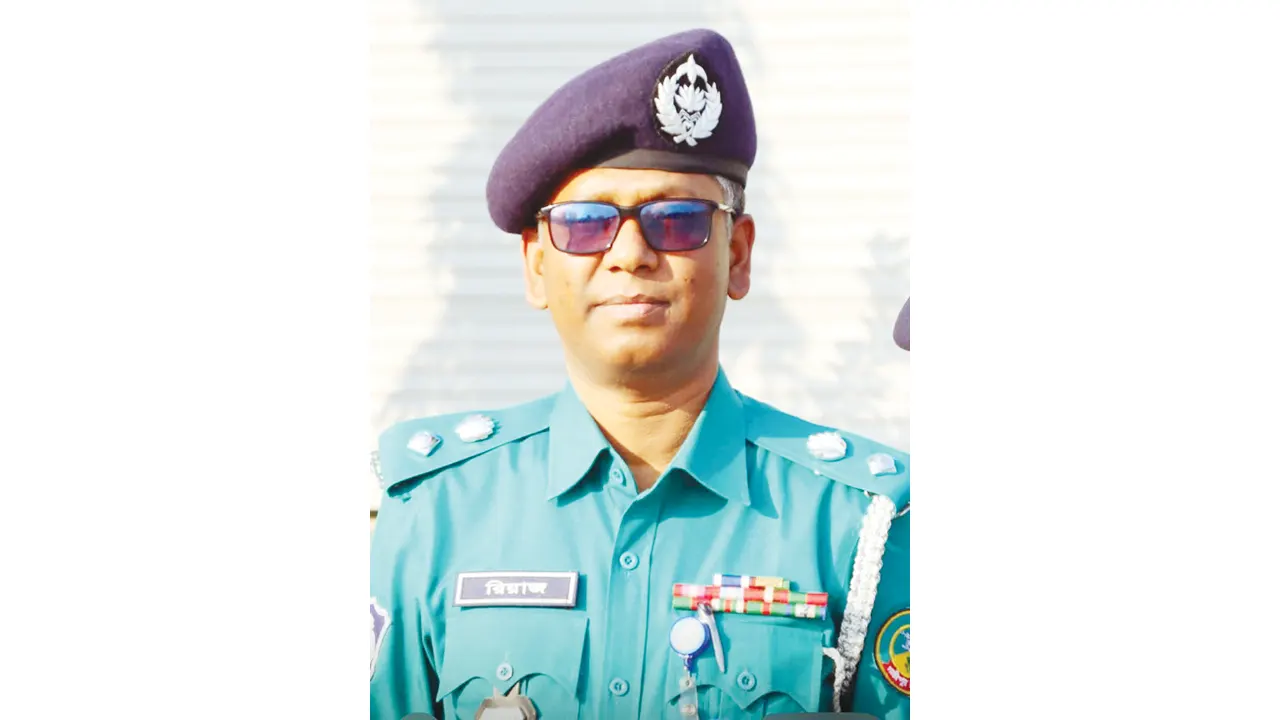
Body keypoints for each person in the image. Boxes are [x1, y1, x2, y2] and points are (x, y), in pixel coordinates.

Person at [370, 28, 910, 720]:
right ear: (536, 267)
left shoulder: (860, 520)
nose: (629, 254)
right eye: (585, 223)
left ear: (738, 256)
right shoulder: (438, 507)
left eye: (676, 220)